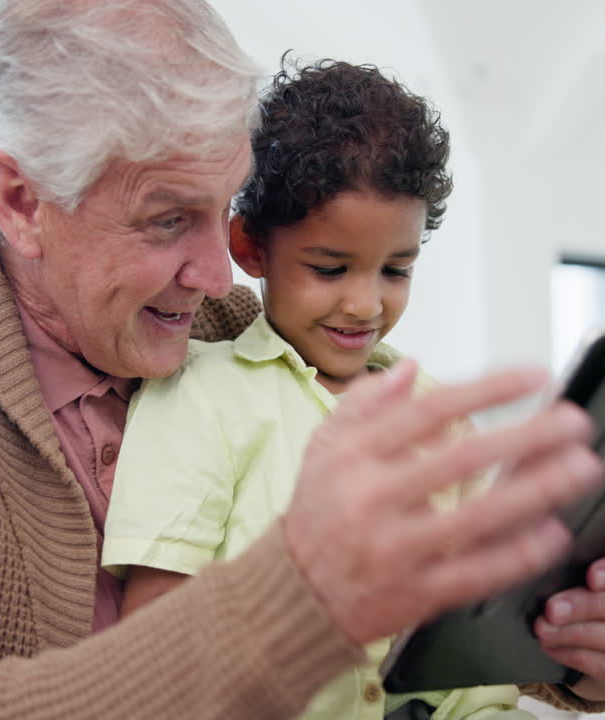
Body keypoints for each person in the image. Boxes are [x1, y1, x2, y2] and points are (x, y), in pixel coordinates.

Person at [0, 1, 605, 718]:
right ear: (21, 201)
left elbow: (416, 635)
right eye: (166, 219)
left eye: (225, 208)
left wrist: (575, 643)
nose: (217, 270)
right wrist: (298, 600)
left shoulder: (237, 330)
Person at [101, 58, 536, 719]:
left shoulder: (436, 414)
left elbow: (480, 632)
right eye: (330, 269)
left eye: (396, 270)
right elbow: (157, 636)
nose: (365, 305)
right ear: (251, 247)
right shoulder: (199, 397)